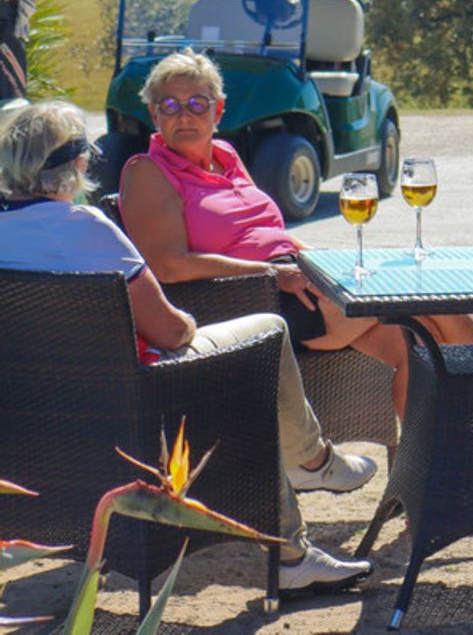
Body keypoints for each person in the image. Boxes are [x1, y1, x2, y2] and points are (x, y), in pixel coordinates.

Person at [0, 101, 373, 595]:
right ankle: (305, 482)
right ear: (78, 165)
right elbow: (170, 333)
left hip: (35, 418)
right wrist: (192, 320)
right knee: (267, 335)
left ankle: (308, 473)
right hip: (137, 402)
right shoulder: (85, 228)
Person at [117, 50, 473, 416]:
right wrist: (272, 274)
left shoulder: (226, 156)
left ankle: (432, 469)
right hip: (256, 298)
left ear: (219, 110)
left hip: (298, 278)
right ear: (153, 113)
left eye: (197, 104)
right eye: (170, 105)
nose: (184, 115)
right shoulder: (148, 172)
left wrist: (325, 261)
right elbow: (167, 267)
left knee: (418, 348)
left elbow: (269, 231)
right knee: (434, 304)